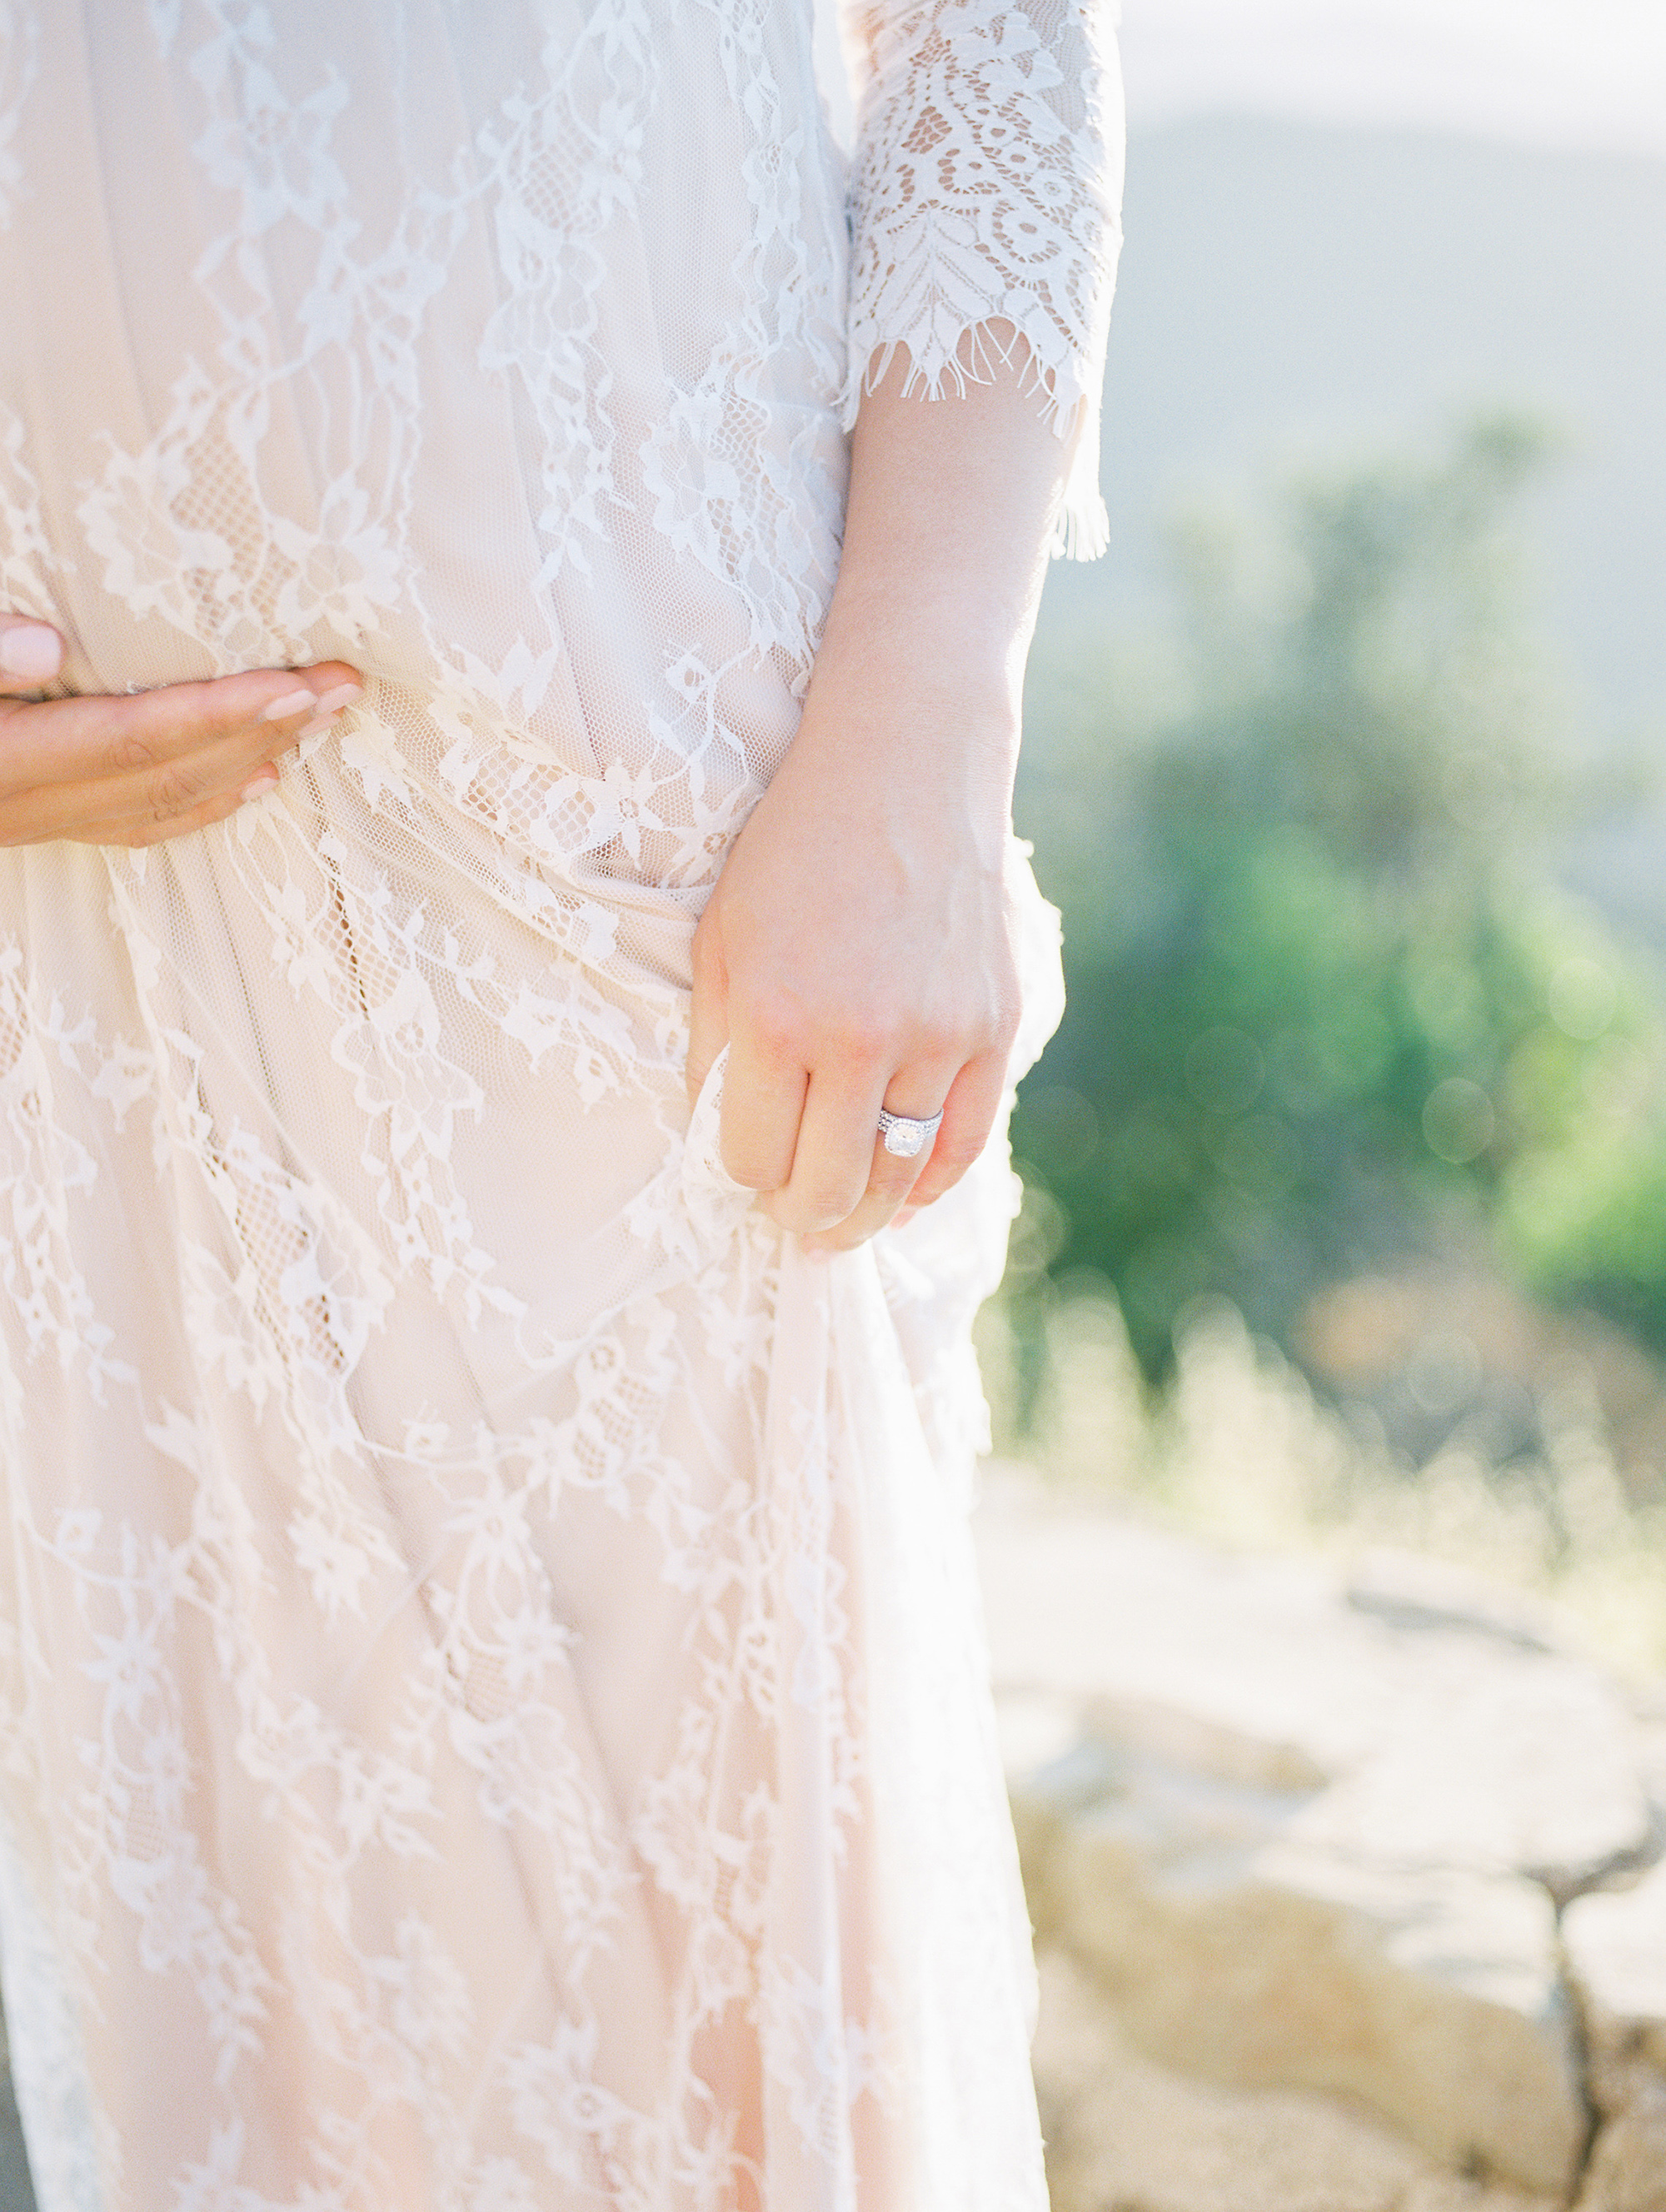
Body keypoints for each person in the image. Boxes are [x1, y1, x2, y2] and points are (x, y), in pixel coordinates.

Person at [0, 2, 1123, 2205]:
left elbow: (990, 34)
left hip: (628, 911)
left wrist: (918, 723)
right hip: (79, 974)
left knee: (698, 2041)